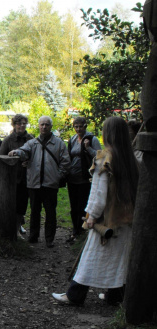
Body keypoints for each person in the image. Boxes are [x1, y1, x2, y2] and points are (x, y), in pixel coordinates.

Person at [52, 117, 139, 306]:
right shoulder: (131, 159)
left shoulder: (105, 158)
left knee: (90, 257)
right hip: (126, 219)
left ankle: (75, 295)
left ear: (108, 134)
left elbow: (99, 193)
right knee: (119, 258)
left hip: (106, 220)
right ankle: (115, 296)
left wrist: (91, 215)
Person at [9, 116, 70, 248]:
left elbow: (65, 162)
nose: (44, 127)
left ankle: (49, 239)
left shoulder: (59, 143)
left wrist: (58, 176)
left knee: (50, 212)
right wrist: (17, 152)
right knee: (34, 212)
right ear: (38, 126)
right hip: (34, 183)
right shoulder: (33, 142)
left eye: (47, 125)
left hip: (50, 184)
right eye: (42, 124)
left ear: (51, 127)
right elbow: (24, 151)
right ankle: (33, 237)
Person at [66, 117, 101, 242]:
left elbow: (100, 156)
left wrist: (88, 148)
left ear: (85, 126)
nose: (78, 129)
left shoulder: (92, 139)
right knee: (73, 206)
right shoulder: (73, 139)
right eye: (76, 126)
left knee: (82, 206)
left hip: (85, 179)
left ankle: (81, 231)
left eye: (81, 126)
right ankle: (75, 229)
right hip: (72, 178)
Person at [0, 114, 34, 235]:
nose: (22, 126)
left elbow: (36, 156)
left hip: (27, 177)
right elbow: (1, 158)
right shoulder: (8, 140)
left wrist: (29, 161)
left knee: (22, 204)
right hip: (11, 178)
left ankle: (18, 227)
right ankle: (10, 228)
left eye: (24, 123)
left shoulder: (31, 139)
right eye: (19, 123)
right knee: (11, 204)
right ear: (14, 125)